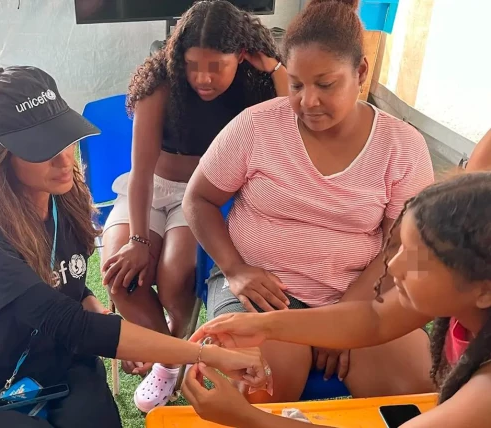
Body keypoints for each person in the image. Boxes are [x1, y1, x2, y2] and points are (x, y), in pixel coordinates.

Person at [0, 66, 271, 428]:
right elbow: (66, 322)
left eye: (64, 139)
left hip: (64, 367)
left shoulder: (64, 200)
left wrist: (108, 321)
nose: (64, 159)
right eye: (41, 148)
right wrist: (204, 354)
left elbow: (75, 293)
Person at [182, 0, 436, 404]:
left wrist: (350, 316)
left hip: (360, 297)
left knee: (413, 396)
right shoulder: (257, 126)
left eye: (326, 84)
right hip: (262, 298)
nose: (308, 102)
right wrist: (236, 269)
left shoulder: (402, 146)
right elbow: (197, 199)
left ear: (361, 73)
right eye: (297, 84)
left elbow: (405, 247)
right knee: (254, 392)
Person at [185, 172, 491, 428]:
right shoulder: (466, 300)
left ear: (484, 290)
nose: (394, 267)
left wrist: (246, 417)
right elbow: (375, 319)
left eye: (420, 260)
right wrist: (264, 325)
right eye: (400, 248)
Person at [99, 0, 289, 412]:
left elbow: (292, 118)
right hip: (149, 188)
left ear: (239, 56)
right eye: (191, 64)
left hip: (202, 195)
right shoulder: (161, 83)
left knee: (174, 276)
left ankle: (170, 354)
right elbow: (142, 171)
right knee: (119, 272)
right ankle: (173, 358)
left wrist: (275, 70)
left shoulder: (254, 85)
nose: (202, 77)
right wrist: (136, 239)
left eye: (215, 66)